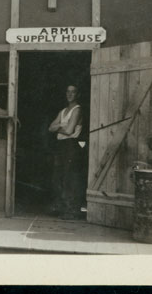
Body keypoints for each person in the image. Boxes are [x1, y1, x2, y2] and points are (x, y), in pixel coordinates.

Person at [48, 84, 84, 220]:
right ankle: (61, 207)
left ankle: (72, 210)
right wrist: (62, 126)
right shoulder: (63, 111)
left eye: (73, 92)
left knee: (70, 177)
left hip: (72, 146)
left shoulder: (77, 110)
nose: (70, 94)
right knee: (58, 176)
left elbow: (69, 131)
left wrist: (59, 127)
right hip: (61, 145)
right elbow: (50, 127)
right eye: (68, 91)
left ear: (77, 94)